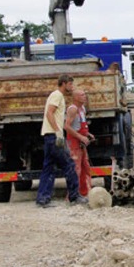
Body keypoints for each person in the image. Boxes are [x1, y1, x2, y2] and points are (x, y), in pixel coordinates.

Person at [35, 74, 88, 207]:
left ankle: (42, 199)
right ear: (64, 83)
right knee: (69, 165)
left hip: (49, 136)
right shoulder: (57, 95)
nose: (72, 87)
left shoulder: (58, 96)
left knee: (48, 168)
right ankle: (74, 197)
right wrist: (58, 132)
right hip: (54, 136)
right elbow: (49, 112)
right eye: (70, 84)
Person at [64, 88, 94, 197]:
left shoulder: (82, 109)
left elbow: (81, 124)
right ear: (76, 97)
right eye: (82, 95)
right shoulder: (73, 109)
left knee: (85, 166)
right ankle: (72, 195)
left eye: (84, 94)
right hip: (74, 142)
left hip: (81, 142)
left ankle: (85, 192)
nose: (84, 96)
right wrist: (80, 137)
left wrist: (87, 134)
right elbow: (66, 126)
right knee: (76, 168)